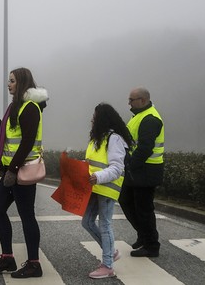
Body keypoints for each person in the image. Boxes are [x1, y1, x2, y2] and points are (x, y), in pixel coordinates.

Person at [0, 67, 49, 279]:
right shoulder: (16, 106)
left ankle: (34, 264)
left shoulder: (30, 108)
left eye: (12, 80)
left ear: (21, 82)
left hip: (23, 171)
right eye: (8, 80)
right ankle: (7, 257)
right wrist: (2, 166)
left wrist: (12, 169)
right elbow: (10, 141)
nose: (8, 84)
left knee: (27, 216)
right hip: (11, 170)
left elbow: (28, 141)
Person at [81, 103, 134, 279]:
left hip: (106, 188)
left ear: (102, 119)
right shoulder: (98, 138)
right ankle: (110, 251)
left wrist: (98, 176)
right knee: (87, 222)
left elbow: (117, 168)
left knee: (105, 225)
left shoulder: (114, 138)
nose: (91, 120)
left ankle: (108, 265)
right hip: (95, 187)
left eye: (94, 117)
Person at [118, 87, 164, 258]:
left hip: (146, 171)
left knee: (144, 209)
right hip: (138, 171)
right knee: (126, 201)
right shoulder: (138, 116)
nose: (129, 103)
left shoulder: (150, 119)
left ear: (143, 100)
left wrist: (129, 165)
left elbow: (145, 148)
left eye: (132, 100)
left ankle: (152, 245)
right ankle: (144, 236)